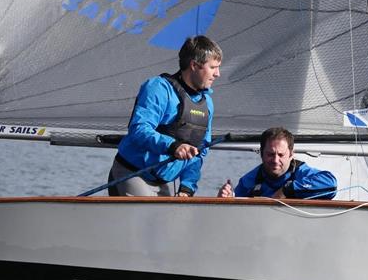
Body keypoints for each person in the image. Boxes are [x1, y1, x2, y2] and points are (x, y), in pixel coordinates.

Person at [108, 36, 222, 197]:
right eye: (213, 67)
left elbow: (200, 152)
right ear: (194, 65)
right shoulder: (158, 88)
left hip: (166, 181)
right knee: (144, 220)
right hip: (133, 173)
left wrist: (186, 187)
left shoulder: (207, 104)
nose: (218, 74)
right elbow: (139, 130)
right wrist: (173, 146)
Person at [217, 127, 337, 199]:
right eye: (270, 154)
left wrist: (287, 190)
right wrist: (225, 200)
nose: (275, 160)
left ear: (291, 154)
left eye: (281, 155)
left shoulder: (301, 172)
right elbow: (234, 208)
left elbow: (331, 184)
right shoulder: (248, 181)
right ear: (261, 154)